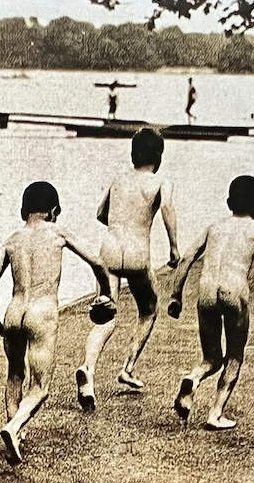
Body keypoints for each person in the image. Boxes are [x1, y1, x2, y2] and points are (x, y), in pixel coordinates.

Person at [0, 182, 115, 465]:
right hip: (42, 314)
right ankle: (14, 426)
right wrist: (106, 293)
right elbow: (97, 263)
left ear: (23, 211)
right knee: (41, 386)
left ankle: (16, 432)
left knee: (15, 374)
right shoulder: (57, 232)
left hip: (13, 312)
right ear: (54, 211)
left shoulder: (12, 239)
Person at [75, 127, 180, 412]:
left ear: (133, 153)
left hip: (108, 252)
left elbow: (100, 213)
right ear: (158, 156)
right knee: (149, 309)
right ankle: (128, 368)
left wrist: (119, 223)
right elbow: (168, 210)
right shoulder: (160, 182)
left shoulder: (119, 178)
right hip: (137, 254)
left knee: (105, 316)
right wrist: (173, 247)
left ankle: (88, 369)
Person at [168, 176, 254, 430]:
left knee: (211, 358)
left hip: (206, 291)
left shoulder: (213, 227)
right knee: (234, 356)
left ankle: (193, 378)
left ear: (229, 201)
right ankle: (215, 413)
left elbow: (186, 258)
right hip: (234, 292)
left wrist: (176, 295)